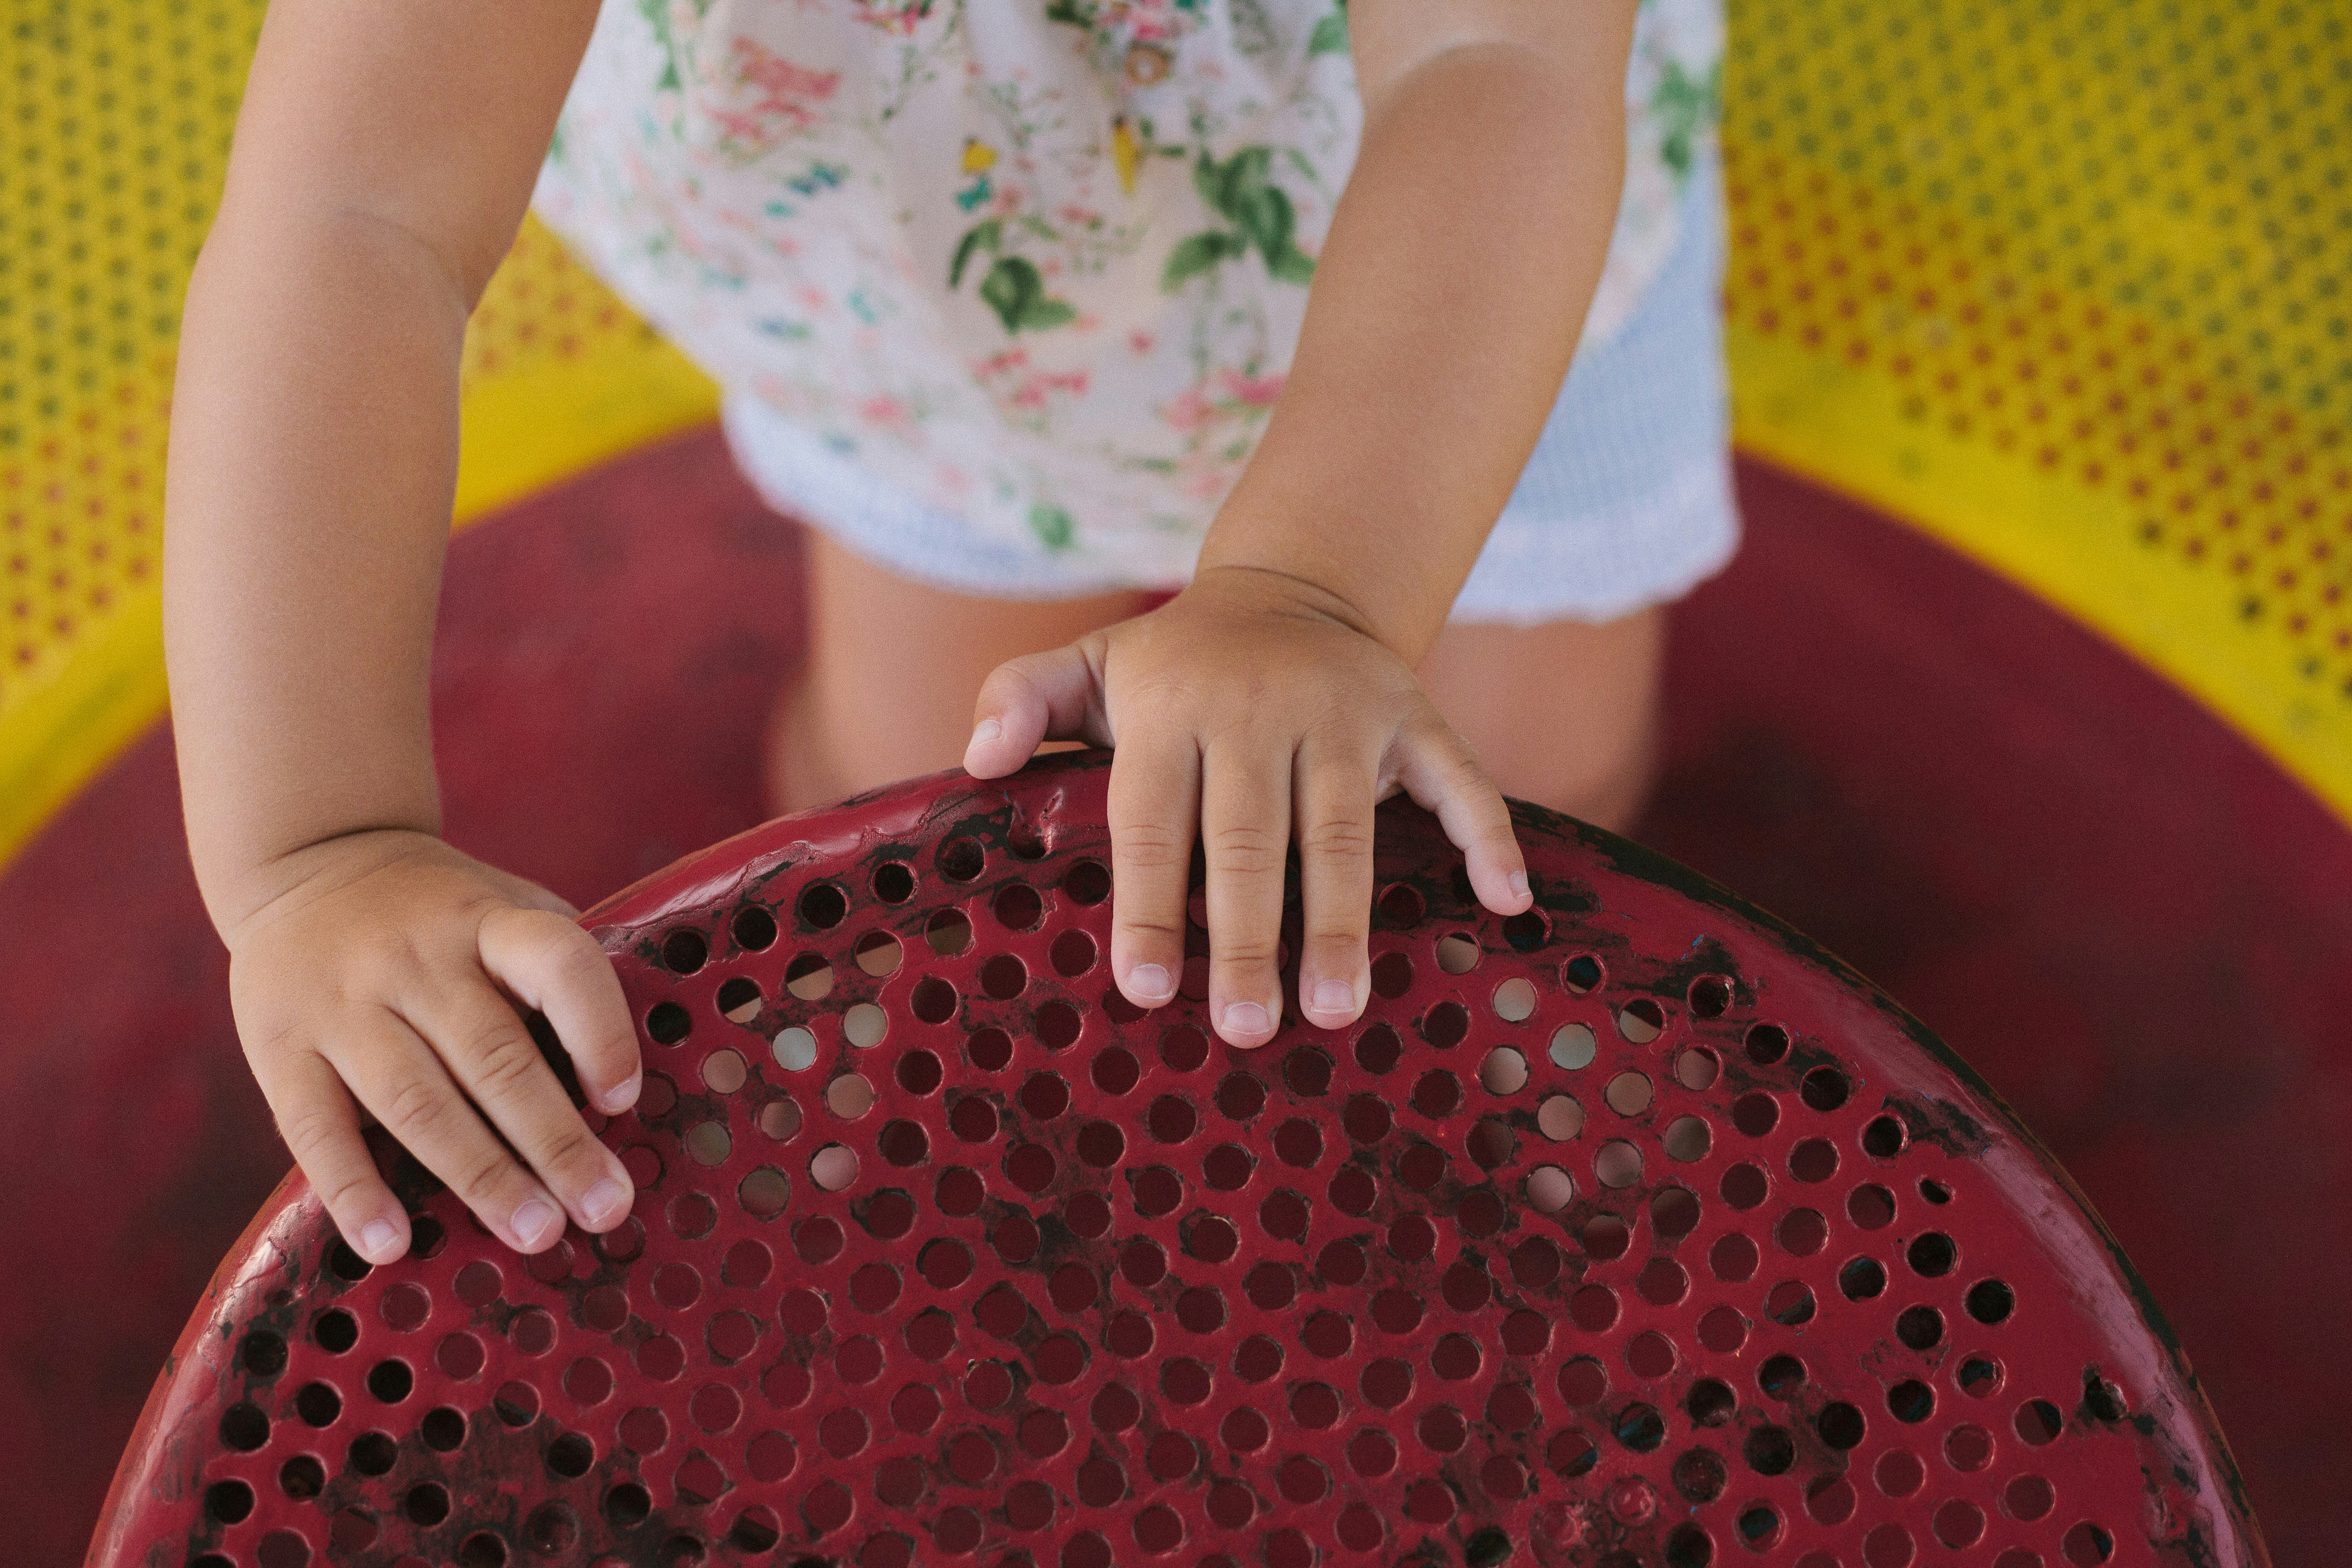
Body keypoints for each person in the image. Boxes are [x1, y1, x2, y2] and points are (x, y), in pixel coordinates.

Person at [163, 0, 1733, 1264]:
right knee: (908, 803)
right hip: (942, 323)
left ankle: (1527, 1167)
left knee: (1525, 804)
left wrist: (1319, 596)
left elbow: (1497, 61)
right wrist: (322, 842)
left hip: (1462, 311)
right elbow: (355, 214)